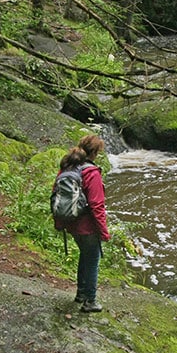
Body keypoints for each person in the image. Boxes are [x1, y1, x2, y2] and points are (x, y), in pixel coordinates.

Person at [55, 134, 110, 312]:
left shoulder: (68, 168)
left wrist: (59, 222)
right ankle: (90, 301)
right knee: (92, 260)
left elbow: (55, 194)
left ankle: (80, 294)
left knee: (85, 256)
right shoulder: (91, 173)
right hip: (87, 226)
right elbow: (97, 205)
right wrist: (103, 231)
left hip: (71, 223)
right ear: (93, 153)